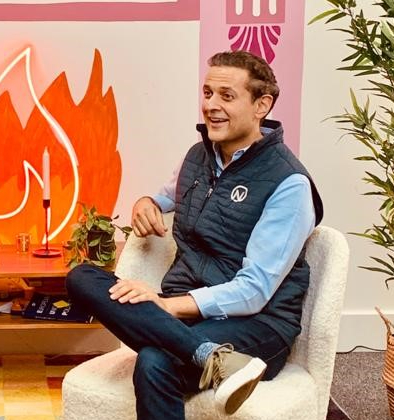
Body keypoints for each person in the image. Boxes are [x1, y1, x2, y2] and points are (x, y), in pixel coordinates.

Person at [66, 50, 323, 420]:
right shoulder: (198, 156)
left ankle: (219, 356)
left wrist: (165, 306)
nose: (211, 106)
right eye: (207, 93)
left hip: (260, 324)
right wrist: (145, 202)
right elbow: (168, 194)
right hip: (188, 315)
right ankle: (212, 357)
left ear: (261, 105)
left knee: (155, 362)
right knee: (81, 278)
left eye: (227, 96)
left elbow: (254, 292)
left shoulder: (288, 184)